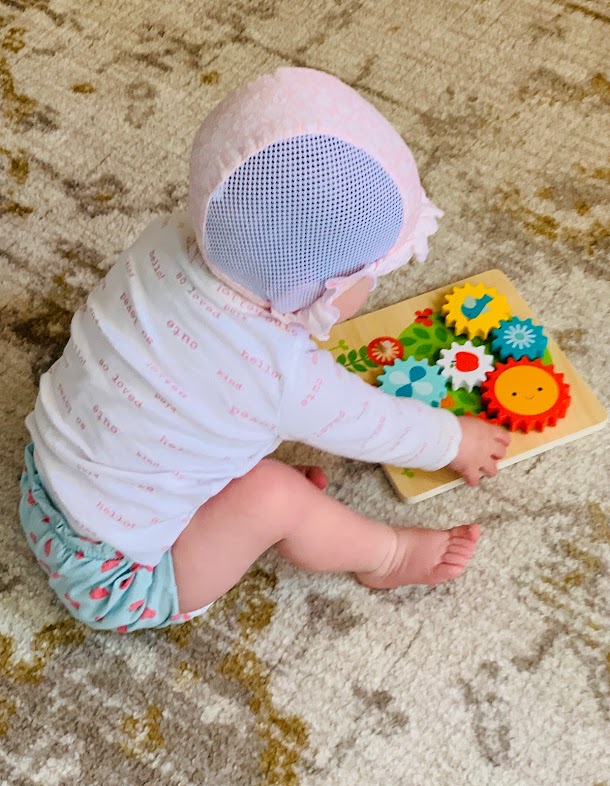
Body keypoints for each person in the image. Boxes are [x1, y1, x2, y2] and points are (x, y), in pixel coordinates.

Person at [19, 68, 510, 633]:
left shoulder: (168, 239)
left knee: (194, 406)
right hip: (116, 579)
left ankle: (216, 492)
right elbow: (377, 424)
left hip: (45, 477)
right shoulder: (284, 375)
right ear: (315, 290)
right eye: (368, 277)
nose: (374, 287)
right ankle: (388, 557)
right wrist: (455, 440)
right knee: (275, 496)